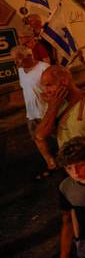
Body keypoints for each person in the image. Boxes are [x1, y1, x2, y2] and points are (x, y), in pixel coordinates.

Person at [35, 65, 85, 169]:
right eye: (44, 87)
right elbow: (40, 136)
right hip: (70, 167)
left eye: (49, 85)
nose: (46, 91)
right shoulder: (55, 105)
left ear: (64, 81)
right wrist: (53, 107)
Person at [10, 45, 52, 177]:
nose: (15, 63)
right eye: (14, 60)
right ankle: (51, 163)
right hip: (32, 113)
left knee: (61, 137)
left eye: (18, 59)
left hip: (48, 112)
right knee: (38, 138)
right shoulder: (21, 71)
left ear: (28, 56)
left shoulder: (44, 68)